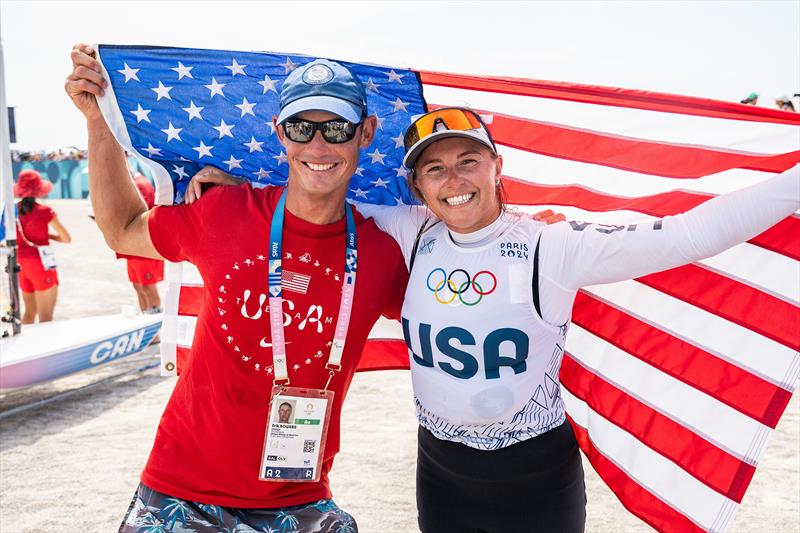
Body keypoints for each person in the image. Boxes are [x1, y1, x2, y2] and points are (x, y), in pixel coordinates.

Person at [192, 106, 799, 532]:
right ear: (416, 185)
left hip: (534, 476)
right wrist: (245, 188)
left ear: (496, 165)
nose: (453, 180)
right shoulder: (409, 230)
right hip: (441, 470)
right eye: (434, 169)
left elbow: (689, 234)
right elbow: (318, 187)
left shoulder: (552, 245)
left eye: (467, 161)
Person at [66, 45, 408, 532]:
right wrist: (98, 121)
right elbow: (122, 228)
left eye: (336, 129)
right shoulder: (225, 212)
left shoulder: (381, 255)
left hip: (298, 498)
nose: (317, 146)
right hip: (179, 490)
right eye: (300, 128)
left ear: (366, 133)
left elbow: (449, 321)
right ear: (279, 134)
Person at [13, 169, 71, 324]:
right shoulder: (45, 211)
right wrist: (50, 236)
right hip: (41, 264)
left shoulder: (13, 211)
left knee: (28, 314)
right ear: (38, 189)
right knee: (46, 320)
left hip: (21, 264)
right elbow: (66, 238)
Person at [116, 173, 164, 314]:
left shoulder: (139, 184)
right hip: (134, 246)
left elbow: (137, 213)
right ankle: (147, 323)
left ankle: (155, 332)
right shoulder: (137, 182)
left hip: (141, 245)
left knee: (147, 287)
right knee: (139, 287)